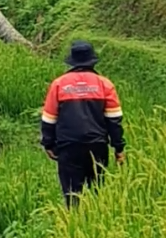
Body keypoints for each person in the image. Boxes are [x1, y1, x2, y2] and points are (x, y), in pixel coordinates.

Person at [40, 41, 125, 206]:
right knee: (96, 191)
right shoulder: (105, 84)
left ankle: (72, 226)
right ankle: (94, 224)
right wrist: (119, 148)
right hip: (97, 146)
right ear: (92, 61)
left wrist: (49, 144)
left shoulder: (59, 84)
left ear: (72, 61)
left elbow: (49, 119)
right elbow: (114, 120)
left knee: (72, 195)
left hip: (68, 146)